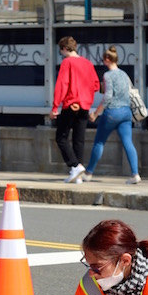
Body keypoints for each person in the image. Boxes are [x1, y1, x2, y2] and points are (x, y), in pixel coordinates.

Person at [83, 46, 141, 185]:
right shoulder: (124, 74)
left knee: (99, 142)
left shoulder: (108, 76)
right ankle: (135, 174)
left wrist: (96, 113)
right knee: (128, 143)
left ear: (107, 60)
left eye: (103, 60)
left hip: (112, 113)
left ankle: (89, 173)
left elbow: (108, 97)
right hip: (126, 112)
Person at [51, 36, 99, 184]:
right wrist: (84, 96)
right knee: (79, 140)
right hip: (84, 106)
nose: (61, 53)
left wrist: (55, 107)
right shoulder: (88, 63)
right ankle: (76, 173)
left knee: (61, 137)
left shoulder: (67, 62)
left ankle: (74, 165)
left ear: (65, 48)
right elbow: (96, 85)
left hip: (71, 105)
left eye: (61, 50)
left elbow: (62, 85)